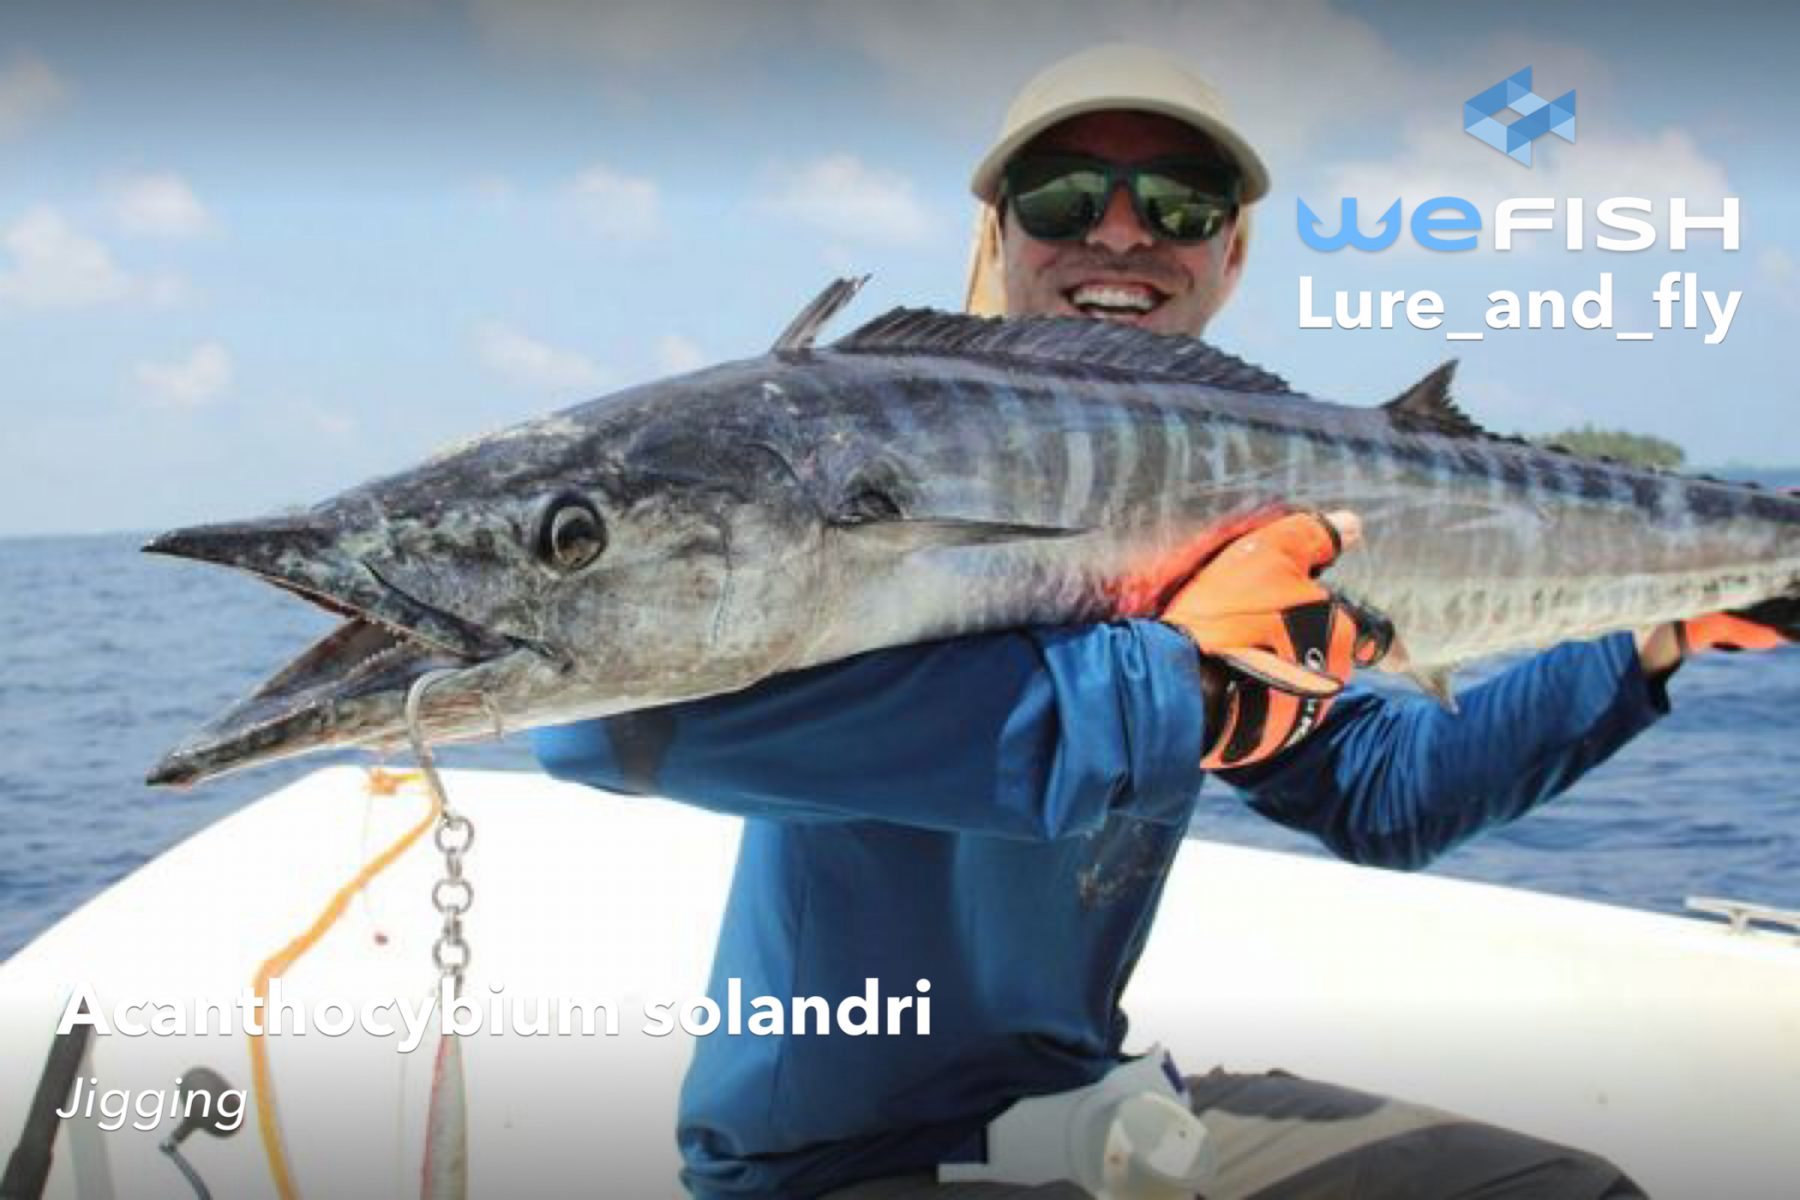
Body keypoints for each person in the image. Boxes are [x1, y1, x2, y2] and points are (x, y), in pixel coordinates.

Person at [533, 44, 1787, 1199]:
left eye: (1181, 204)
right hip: (833, 1168)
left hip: (1085, 1110)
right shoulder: (866, 465)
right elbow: (601, 721)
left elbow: (1385, 793)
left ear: (1231, 255)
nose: (1124, 233)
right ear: (1002, 233)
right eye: (1069, 197)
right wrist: (1186, 681)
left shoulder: (1231, 512)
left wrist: (1656, 639)